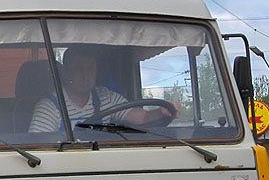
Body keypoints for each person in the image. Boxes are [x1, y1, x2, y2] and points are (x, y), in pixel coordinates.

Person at [28, 47, 177, 132]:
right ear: (66, 73)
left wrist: (160, 112)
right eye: (78, 69)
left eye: (90, 69)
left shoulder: (106, 97)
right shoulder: (49, 107)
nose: (85, 75)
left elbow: (141, 117)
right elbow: (39, 151)